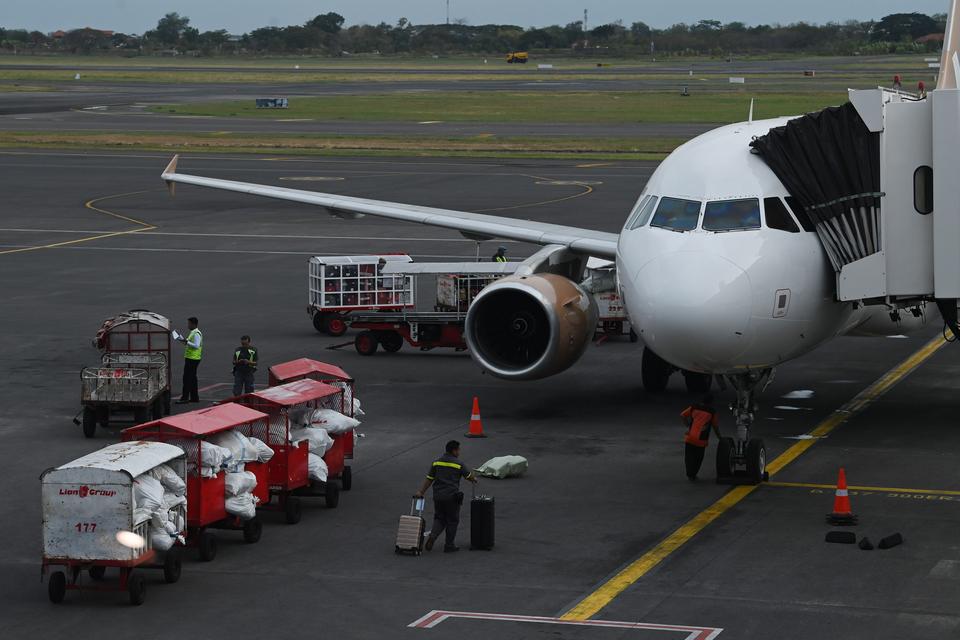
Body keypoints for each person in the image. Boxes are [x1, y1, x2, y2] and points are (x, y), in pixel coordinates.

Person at [415, 440, 477, 552]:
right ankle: (449, 545)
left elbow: (429, 479)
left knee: (439, 518)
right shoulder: (458, 464)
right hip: (452, 497)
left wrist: (421, 492)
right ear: (454, 450)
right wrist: (474, 478)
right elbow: (468, 476)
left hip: (438, 497)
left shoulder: (436, 463)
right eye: (458, 450)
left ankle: (433, 536)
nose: (459, 452)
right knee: (452, 520)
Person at [680, 394, 721, 480]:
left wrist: (687, 424)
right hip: (701, 441)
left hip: (690, 437)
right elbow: (715, 426)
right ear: (711, 402)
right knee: (698, 458)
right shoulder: (712, 412)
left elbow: (682, 415)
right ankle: (693, 474)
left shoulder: (694, 407)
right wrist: (720, 437)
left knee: (689, 457)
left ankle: (689, 474)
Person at [175, 317, 202, 404]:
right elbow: (189, 344)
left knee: (187, 378)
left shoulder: (196, 333)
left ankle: (185, 398)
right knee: (193, 378)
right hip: (193, 358)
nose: (188, 325)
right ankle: (194, 397)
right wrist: (181, 339)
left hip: (192, 359)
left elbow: (196, 345)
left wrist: (187, 342)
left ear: (193, 324)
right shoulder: (193, 333)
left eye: (189, 324)